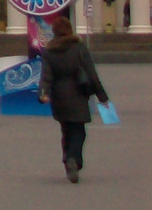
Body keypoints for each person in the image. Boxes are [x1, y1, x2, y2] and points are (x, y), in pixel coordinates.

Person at [38, 15, 108, 183]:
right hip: (78, 93)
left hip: (59, 95)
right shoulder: (79, 47)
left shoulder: (49, 51)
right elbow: (91, 73)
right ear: (70, 30)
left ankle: (68, 159)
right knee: (79, 131)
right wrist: (102, 96)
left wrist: (43, 93)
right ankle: (73, 159)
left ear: (54, 31)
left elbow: (46, 75)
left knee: (66, 130)